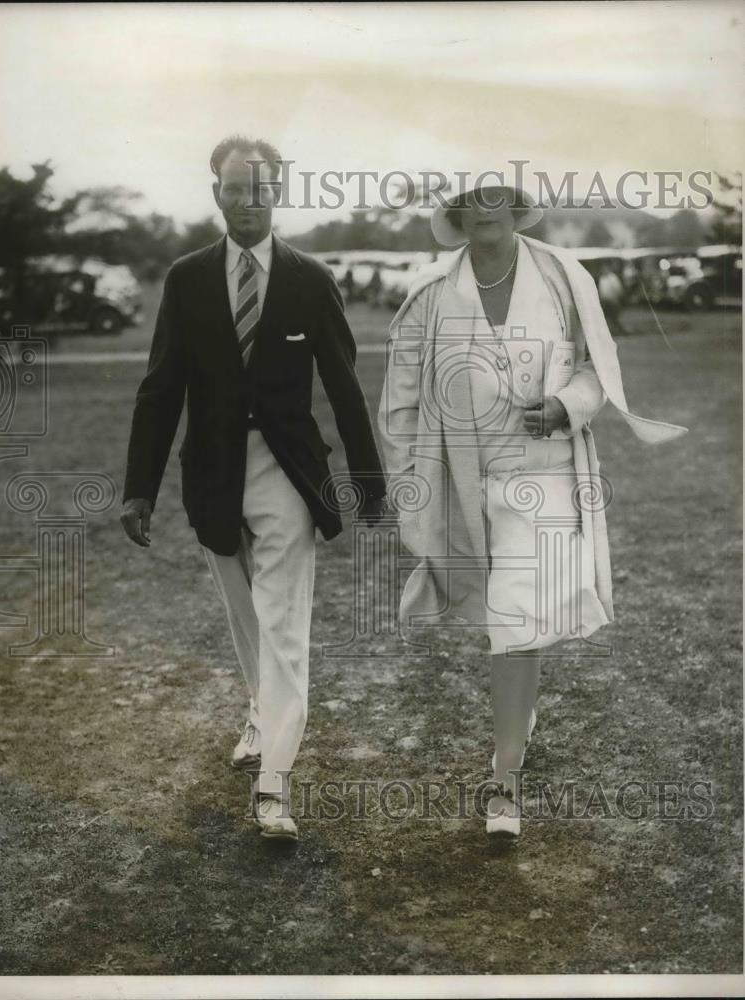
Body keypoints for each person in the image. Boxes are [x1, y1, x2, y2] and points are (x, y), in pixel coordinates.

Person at [378, 180, 687, 839]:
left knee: (516, 616)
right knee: (503, 616)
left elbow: (595, 369)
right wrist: (412, 481)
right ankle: (517, 723)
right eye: (474, 197)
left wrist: (565, 408)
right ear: (457, 213)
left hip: (541, 472)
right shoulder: (431, 290)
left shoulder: (560, 275)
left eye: (500, 195)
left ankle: (505, 776)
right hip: (461, 477)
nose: (486, 208)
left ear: (517, 208)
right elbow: (400, 402)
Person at [121, 135, 388, 842]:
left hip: (289, 475)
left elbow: (343, 385)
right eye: (236, 188)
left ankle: (275, 784)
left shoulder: (308, 277)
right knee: (246, 618)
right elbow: (161, 386)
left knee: (283, 625)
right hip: (211, 473)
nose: (250, 200)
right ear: (217, 194)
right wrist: (138, 487)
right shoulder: (186, 279)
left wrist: (368, 480)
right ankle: (257, 711)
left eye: (263, 187)